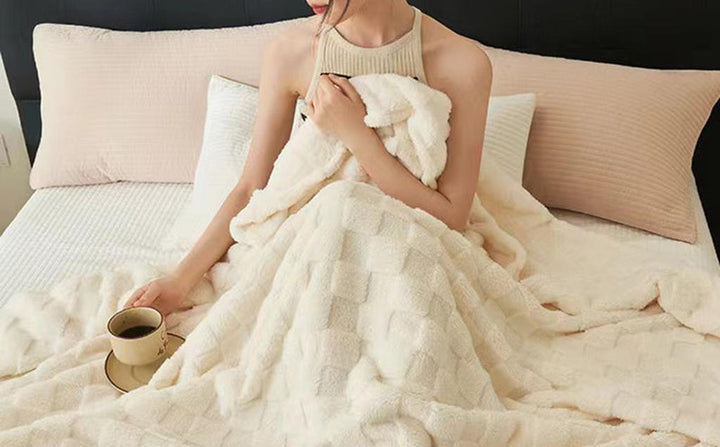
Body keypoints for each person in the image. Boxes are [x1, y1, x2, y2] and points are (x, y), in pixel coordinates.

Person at [123, 0, 493, 315]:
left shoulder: (461, 63)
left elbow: (452, 218)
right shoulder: (291, 52)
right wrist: (179, 281)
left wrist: (355, 135)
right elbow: (252, 188)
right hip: (314, 254)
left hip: (409, 257)